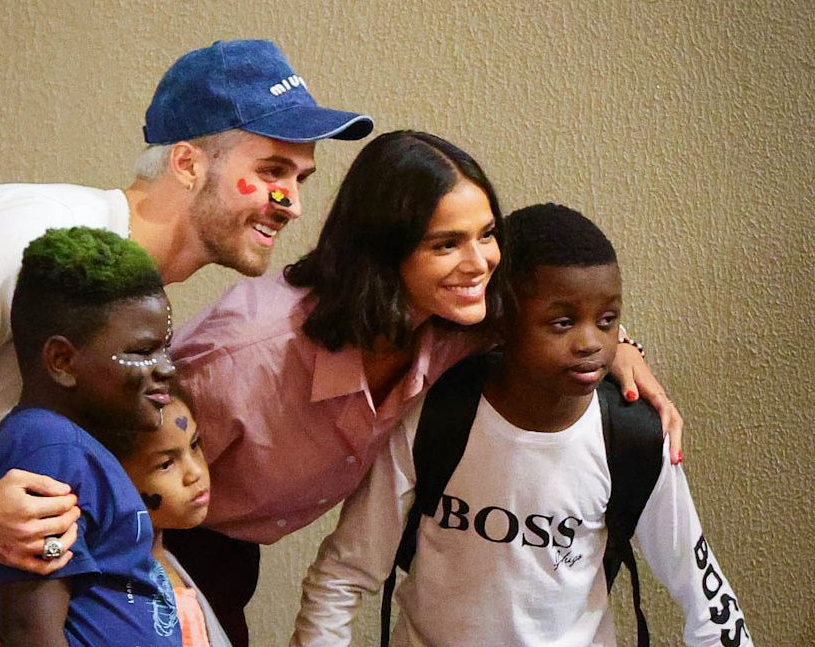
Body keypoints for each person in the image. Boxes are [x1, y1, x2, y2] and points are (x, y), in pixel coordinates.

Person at [0, 38, 373, 645]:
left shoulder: (123, 290)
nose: (291, 203)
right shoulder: (37, 227)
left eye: (300, 178)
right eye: (270, 172)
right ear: (187, 164)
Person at [166, 131, 683, 646]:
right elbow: (121, 475)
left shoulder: (456, 322)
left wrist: (622, 349)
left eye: (486, 234)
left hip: (231, 549)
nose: (480, 262)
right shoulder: (244, 359)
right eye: (446, 244)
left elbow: (561, 320)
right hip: (153, 537)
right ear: (383, 252)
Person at [290, 203, 751, 646]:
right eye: (562, 322)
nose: (590, 342)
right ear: (502, 318)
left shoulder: (634, 438)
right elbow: (345, 574)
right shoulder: (433, 414)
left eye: (607, 320)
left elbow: (706, 599)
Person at [0, 226, 182, 646]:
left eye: (165, 348)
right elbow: (29, 631)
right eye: (141, 352)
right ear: (61, 361)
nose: (166, 367)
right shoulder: (49, 451)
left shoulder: (68, 448)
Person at [120, 391, 232, 647]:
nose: (194, 473)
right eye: (166, 464)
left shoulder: (165, 560)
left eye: (195, 445)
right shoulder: (140, 598)